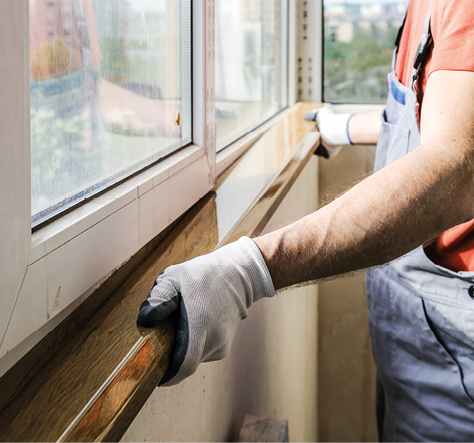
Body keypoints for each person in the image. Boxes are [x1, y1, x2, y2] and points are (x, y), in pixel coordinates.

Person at [137, 0, 474, 440]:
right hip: (415, 333)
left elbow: (457, 169)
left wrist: (248, 271)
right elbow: (433, 116)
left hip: (455, 346)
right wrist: (343, 126)